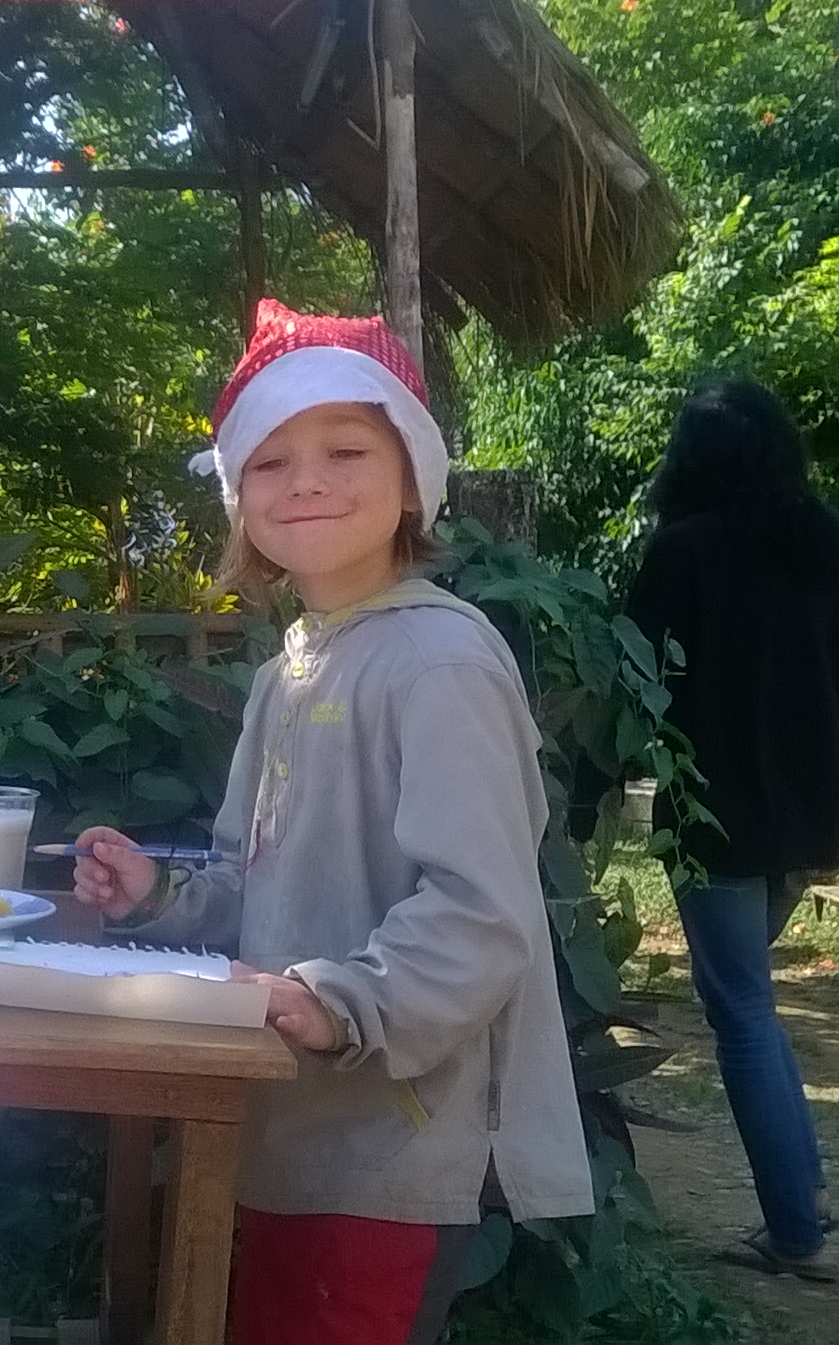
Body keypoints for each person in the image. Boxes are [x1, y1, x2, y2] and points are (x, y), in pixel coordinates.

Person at [73, 303, 591, 1345]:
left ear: (414, 481)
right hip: (279, 1129)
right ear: (238, 497)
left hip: (387, 1151)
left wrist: (340, 998)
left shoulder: (441, 661)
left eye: (346, 450)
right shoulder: (289, 670)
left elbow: (481, 914)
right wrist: (161, 895)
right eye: (270, 462)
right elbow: (252, 880)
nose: (306, 481)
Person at [579, 377, 839, 1282]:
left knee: (743, 1010)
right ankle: (805, 1197)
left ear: (691, 460)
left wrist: (584, 796)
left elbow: (630, 695)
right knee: (755, 1003)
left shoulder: (684, 551)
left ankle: (796, 1232)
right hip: (812, 817)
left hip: (715, 823)